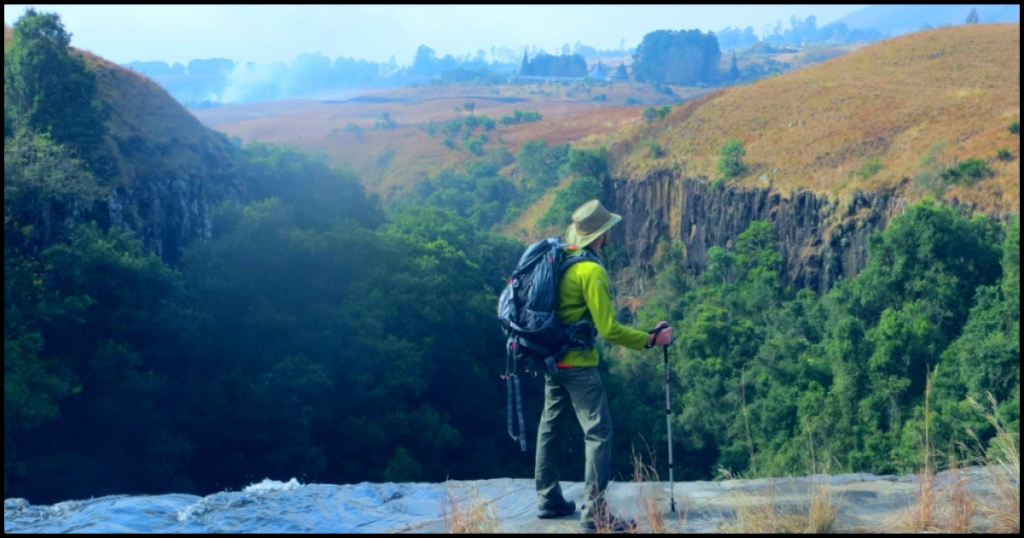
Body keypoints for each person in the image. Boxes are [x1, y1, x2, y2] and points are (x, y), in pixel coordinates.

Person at [535, 199, 673, 533]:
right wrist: (650, 340)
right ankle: (594, 516)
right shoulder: (591, 270)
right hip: (578, 365)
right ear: (603, 233)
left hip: (551, 357)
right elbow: (609, 329)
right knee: (598, 432)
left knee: (551, 424)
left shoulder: (561, 256)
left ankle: (548, 497)